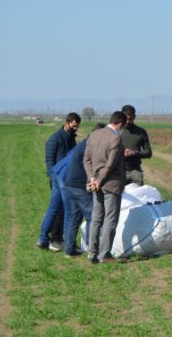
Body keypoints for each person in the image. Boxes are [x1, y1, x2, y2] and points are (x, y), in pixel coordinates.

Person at [84, 112, 127, 264]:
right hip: (110, 184)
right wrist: (100, 180)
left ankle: (92, 253)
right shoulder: (115, 138)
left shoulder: (94, 135)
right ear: (120, 124)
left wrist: (92, 178)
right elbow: (110, 164)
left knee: (96, 218)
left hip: (96, 183)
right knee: (110, 219)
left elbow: (86, 159)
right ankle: (104, 254)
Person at [37, 112, 81, 251]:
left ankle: (47, 239)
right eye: (73, 126)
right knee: (66, 211)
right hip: (59, 178)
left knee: (56, 209)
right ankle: (65, 243)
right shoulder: (54, 139)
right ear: (66, 123)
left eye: (77, 127)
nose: (75, 129)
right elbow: (49, 161)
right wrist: (54, 177)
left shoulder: (71, 139)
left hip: (66, 177)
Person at [63, 123, 106, 257]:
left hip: (69, 185)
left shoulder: (84, 143)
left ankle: (69, 250)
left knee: (73, 218)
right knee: (92, 217)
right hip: (79, 187)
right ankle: (91, 249)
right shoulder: (90, 147)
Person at [121, 105, 152, 185]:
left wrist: (135, 153)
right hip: (118, 172)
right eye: (126, 119)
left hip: (135, 172)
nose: (128, 121)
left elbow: (148, 153)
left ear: (134, 117)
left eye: (130, 119)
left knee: (137, 196)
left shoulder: (141, 132)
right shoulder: (115, 131)